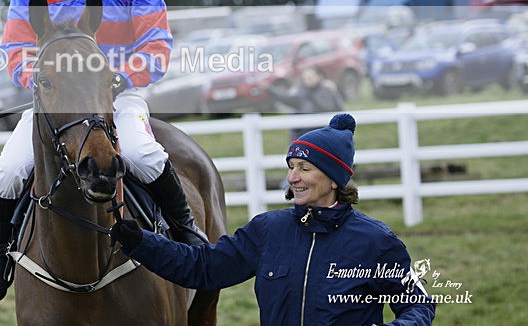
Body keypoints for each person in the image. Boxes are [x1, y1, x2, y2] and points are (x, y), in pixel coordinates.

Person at [0, 0, 206, 302]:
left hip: (116, 93)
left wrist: (122, 77)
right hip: (57, 98)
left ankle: (186, 231)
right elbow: (16, 47)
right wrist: (41, 82)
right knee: (7, 171)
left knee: (141, 152)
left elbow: (156, 41)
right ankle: (0, 254)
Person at [111, 113, 436, 325]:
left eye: (304, 169)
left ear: (335, 179)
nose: (293, 178)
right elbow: (203, 268)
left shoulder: (377, 242)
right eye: (291, 167)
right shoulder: (268, 230)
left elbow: (418, 306)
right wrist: (140, 241)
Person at [268, 66, 344, 139]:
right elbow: (285, 99)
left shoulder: (328, 90)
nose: (307, 80)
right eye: (305, 78)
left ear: (319, 77)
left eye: (310, 77)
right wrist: (269, 89)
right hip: (306, 135)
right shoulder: (300, 93)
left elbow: (336, 109)